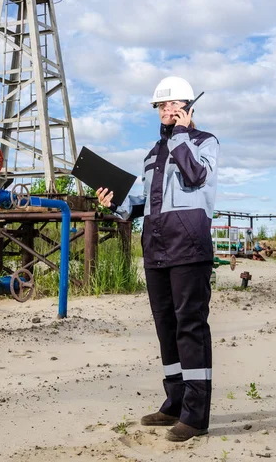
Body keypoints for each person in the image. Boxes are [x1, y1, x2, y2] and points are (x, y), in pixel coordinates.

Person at [96, 76, 219, 442]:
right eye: (162, 106)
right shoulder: (152, 153)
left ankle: (195, 416)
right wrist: (114, 201)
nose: (167, 110)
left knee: (190, 326)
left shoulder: (204, 142)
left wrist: (181, 134)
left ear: (188, 107)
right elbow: (141, 204)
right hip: (156, 249)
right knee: (166, 327)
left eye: (174, 105)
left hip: (189, 247)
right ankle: (175, 403)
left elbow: (197, 175)